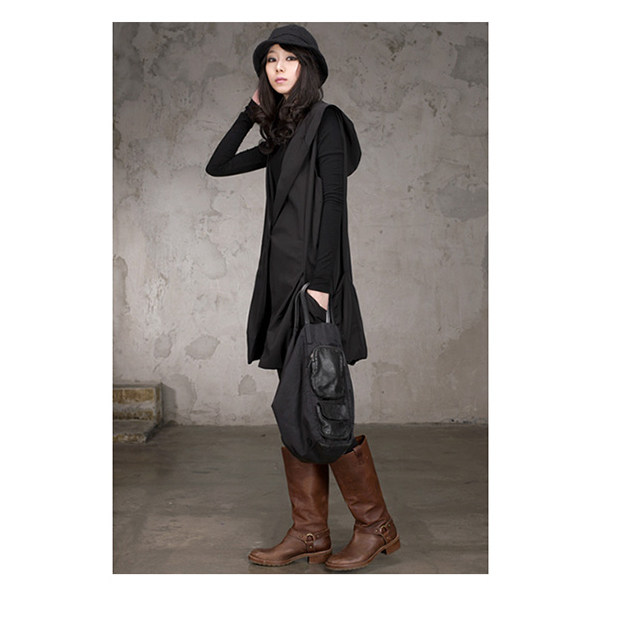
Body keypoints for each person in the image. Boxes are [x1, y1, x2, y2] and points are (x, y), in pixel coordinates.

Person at [206, 24, 399, 571]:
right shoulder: (281, 133)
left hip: (313, 284)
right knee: (297, 406)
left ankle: (375, 525)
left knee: (322, 402)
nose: (278, 68)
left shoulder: (327, 123)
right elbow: (218, 165)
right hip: (279, 282)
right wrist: (250, 114)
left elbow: (335, 203)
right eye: (270, 60)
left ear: (308, 67)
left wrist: (322, 282)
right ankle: (310, 532)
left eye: (289, 59)